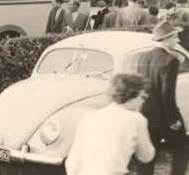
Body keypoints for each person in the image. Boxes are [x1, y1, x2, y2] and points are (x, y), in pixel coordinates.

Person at [65, 73, 155, 175]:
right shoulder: (136, 119)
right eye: (143, 97)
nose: (142, 102)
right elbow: (146, 156)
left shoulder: (89, 116)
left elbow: (72, 161)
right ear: (135, 94)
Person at [136, 21, 189, 175]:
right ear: (167, 38)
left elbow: (141, 86)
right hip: (165, 116)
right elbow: (167, 93)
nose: (177, 41)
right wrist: (173, 120)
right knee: (183, 147)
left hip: (146, 114)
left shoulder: (143, 57)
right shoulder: (170, 60)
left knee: (147, 157)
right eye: (175, 37)